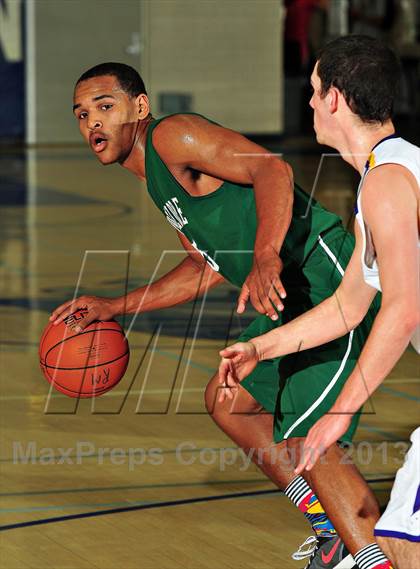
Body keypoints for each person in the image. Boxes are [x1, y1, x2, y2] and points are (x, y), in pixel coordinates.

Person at [50, 61, 382, 568]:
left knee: (308, 432)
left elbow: (272, 167)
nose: (92, 122)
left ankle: (375, 560)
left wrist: (266, 254)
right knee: (228, 400)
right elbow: (204, 268)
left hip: (324, 275)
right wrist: (114, 306)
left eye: (104, 107)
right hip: (287, 294)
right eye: (81, 115)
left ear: (139, 107)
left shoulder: (171, 136)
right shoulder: (157, 183)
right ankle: (330, 529)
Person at [219, 35, 419, 569]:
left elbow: (403, 310)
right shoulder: (384, 178)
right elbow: (348, 306)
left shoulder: (388, 183)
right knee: (399, 546)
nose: (307, 103)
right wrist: (261, 347)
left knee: (400, 547)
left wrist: (340, 411)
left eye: (312, 91)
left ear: (335, 98)